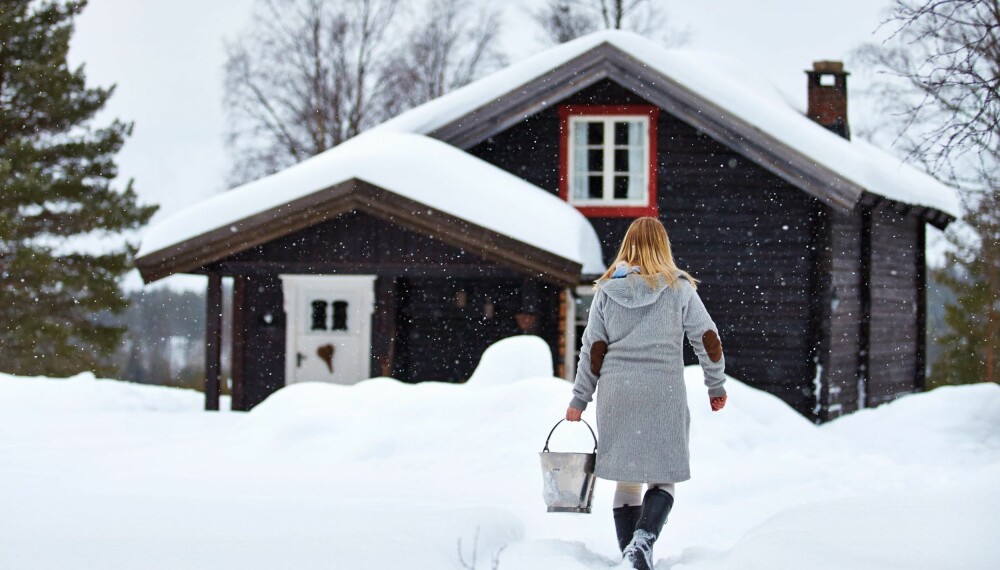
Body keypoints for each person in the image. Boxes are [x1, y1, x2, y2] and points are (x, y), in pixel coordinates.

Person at [565, 217, 727, 570]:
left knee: (628, 478)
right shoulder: (679, 288)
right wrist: (715, 384)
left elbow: (593, 349)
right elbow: (707, 338)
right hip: (661, 391)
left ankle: (631, 557)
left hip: (617, 393)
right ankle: (642, 545)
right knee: (662, 474)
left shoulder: (607, 291)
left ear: (628, 245)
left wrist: (580, 398)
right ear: (663, 246)